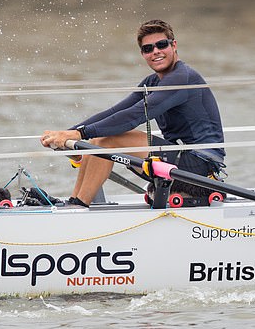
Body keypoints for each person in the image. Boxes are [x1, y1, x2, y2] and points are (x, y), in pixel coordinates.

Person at [41, 19, 226, 207]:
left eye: (161, 45)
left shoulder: (182, 78)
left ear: (174, 45)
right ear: (143, 54)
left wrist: (79, 134)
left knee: (110, 141)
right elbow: (116, 111)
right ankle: (75, 202)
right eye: (148, 49)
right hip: (177, 157)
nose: (156, 51)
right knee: (97, 141)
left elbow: (134, 116)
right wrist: (67, 134)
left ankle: (79, 206)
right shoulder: (152, 82)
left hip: (200, 166)